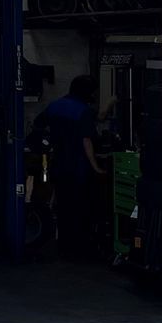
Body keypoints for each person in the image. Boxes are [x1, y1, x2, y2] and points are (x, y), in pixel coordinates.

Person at [39, 74, 107, 259]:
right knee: (81, 209)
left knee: (63, 208)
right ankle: (80, 250)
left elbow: (39, 125)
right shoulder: (82, 111)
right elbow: (86, 141)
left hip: (58, 165)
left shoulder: (55, 106)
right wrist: (96, 167)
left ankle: (64, 246)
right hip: (78, 168)